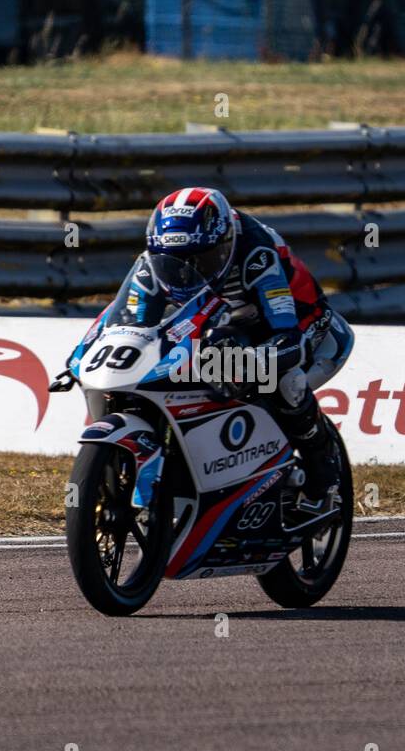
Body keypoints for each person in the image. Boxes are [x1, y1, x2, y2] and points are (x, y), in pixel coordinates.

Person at [144, 187, 355, 512]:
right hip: (223, 317)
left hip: (298, 315)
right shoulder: (153, 258)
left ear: (225, 243)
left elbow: (286, 335)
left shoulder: (256, 251)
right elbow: (129, 318)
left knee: (283, 378)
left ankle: (321, 470)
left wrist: (252, 361)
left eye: (201, 259)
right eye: (177, 261)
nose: (188, 270)